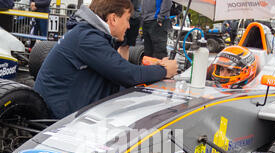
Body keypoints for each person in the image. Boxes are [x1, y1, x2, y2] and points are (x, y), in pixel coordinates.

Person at [34, 0, 178, 119]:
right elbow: (128, 75)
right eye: (127, 19)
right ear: (113, 19)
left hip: (68, 110)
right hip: (57, 120)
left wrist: (153, 70)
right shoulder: (87, 37)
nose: (129, 26)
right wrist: (164, 70)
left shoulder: (89, 33)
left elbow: (117, 75)